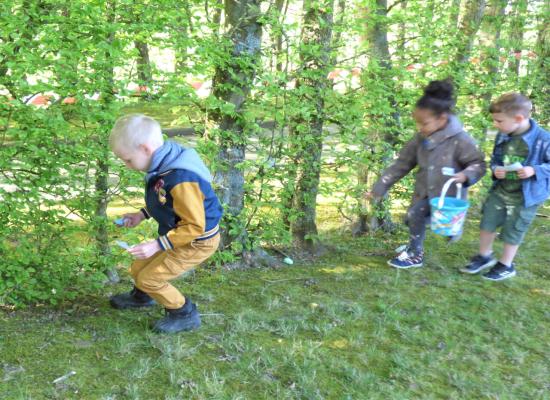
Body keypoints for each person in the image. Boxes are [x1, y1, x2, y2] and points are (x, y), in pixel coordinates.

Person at [108, 114, 223, 333]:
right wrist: (141, 214)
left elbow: (194, 226)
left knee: (151, 278)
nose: (126, 165)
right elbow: (166, 201)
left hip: (197, 241)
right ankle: (143, 296)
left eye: (127, 159)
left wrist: (158, 245)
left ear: (144, 148)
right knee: (138, 268)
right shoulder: (164, 163)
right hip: (179, 235)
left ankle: (184, 313)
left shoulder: (181, 177)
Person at [367, 80, 486, 269]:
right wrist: (380, 187)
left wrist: (466, 175)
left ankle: (429, 245)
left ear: (442, 119)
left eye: (424, 123)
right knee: (414, 215)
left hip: (448, 197)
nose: (419, 127)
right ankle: (414, 249)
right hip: (424, 193)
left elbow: (478, 164)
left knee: (430, 220)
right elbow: (402, 164)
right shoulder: (420, 138)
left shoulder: (460, 140)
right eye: (417, 123)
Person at [461, 93, 550, 281]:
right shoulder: (502, 135)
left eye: (499, 121)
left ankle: (506, 265)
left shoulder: (543, 139)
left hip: (526, 196)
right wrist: (496, 170)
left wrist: (534, 170)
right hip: (501, 190)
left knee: (514, 228)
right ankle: (484, 256)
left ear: (519, 119)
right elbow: (495, 160)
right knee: (488, 221)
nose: (496, 124)